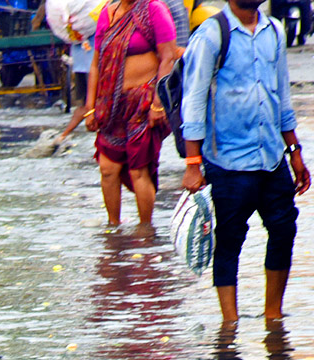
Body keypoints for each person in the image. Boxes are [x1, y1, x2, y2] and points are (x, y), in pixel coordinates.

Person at [180, 0, 310, 323]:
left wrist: (295, 153)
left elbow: (281, 96)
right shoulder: (211, 35)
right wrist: (193, 164)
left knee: (284, 229)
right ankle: (230, 323)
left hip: (270, 157)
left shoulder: (274, 32)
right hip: (227, 161)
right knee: (228, 242)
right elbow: (193, 101)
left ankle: (273, 314)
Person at [84, 0, 181, 227]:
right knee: (108, 170)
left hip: (143, 102)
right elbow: (96, 64)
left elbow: (167, 56)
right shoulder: (107, 13)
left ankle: (145, 229)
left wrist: (159, 103)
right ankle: (113, 227)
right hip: (111, 104)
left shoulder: (153, 10)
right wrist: (90, 107)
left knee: (139, 170)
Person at [57, 39, 95, 144]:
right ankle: (63, 136)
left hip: (82, 59)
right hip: (90, 60)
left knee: (85, 104)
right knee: (90, 103)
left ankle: (63, 136)